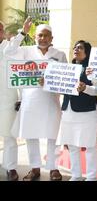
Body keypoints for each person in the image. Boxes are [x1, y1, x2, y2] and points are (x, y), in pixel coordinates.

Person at [4, 22, 67, 181]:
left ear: (52, 38)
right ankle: (35, 167)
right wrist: (22, 33)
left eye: (46, 35)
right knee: (31, 135)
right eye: (40, 35)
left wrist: (50, 80)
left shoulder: (59, 54)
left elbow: (65, 78)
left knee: (53, 135)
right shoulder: (26, 51)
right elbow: (8, 51)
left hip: (51, 100)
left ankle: (54, 168)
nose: (43, 38)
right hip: (30, 100)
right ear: (34, 36)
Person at [56, 41, 97, 181]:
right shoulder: (68, 68)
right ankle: (75, 175)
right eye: (75, 47)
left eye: (80, 48)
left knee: (90, 146)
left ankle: (91, 177)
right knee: (72, 146)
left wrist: (85, 88)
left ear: (87, 52)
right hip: (68, 111)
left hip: (87, 113)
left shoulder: (94, 69)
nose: (76, 49)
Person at [0, 19, 30, 181]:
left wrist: (22, 97)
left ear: (3, 32)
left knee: (9, 136)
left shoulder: (10, 47)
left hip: (7, 100)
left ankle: (10, 168)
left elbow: (18, 73)